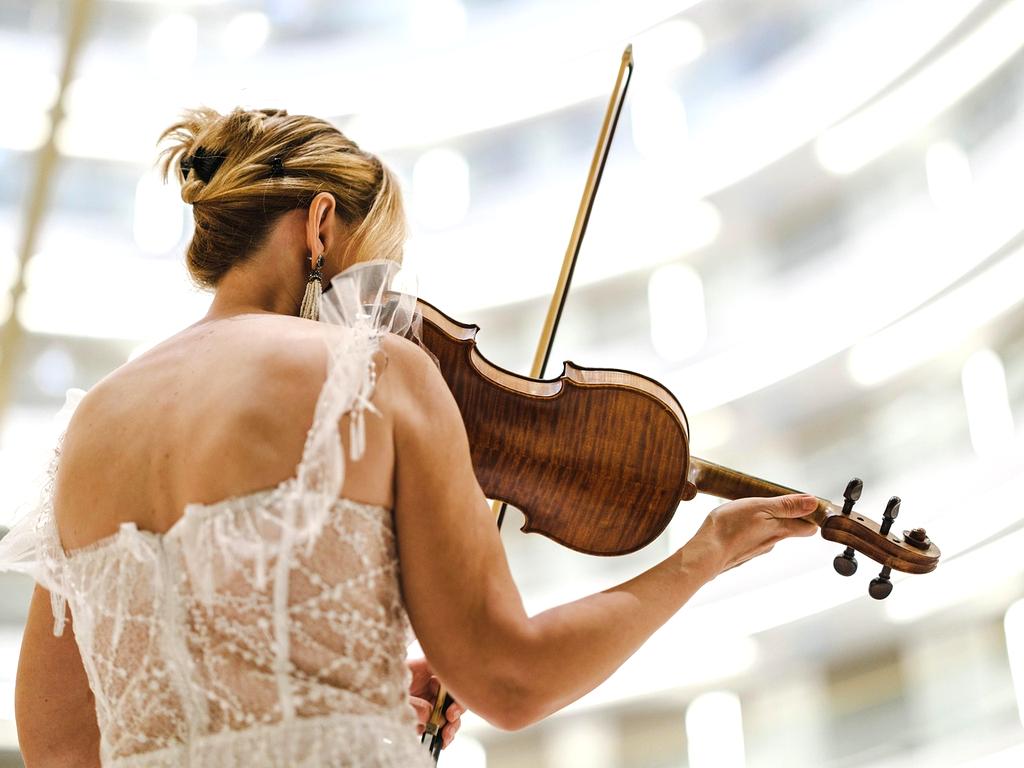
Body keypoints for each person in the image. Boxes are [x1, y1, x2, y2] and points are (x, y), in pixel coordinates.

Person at [0, 107, 817, 767]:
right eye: (377, 274)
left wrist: (332, 688)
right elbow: (511, 679)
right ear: (318, 226)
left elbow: (62, 749)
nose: (380, 309)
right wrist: (702, 555)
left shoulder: (88, 431)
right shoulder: (373, 371)